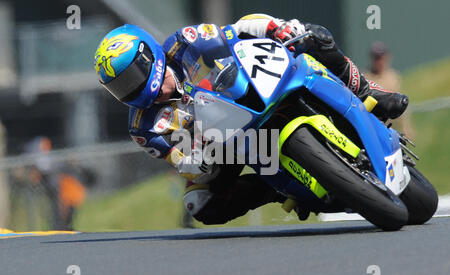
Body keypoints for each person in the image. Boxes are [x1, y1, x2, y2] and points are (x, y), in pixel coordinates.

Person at [94, 14, 410, 225]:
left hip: (252, 85)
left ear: (149, 54)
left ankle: (368, 90)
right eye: (121, 86)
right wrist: (197, 160)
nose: (132, 88)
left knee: (314, 37)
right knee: (200, 205)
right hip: (224, 145)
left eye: (133, 75)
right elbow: (180, 161)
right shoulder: (144, 126)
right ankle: (280, 189)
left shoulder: (184, 43)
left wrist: (278, 29)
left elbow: (237, 31)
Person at [364, 41, 415, 138]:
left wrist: (407, 127)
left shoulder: (394, 77)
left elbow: (402, 104)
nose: (379, 62)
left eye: (381, 58)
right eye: (376, 58)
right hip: (374, 127)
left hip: (393, 128)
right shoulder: (366, 77)